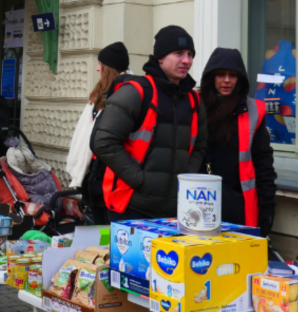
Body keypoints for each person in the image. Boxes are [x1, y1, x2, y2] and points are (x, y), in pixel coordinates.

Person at [92, 26, 208, 220]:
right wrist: (141, 180)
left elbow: (200, 147)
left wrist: (185, 178)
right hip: (131, 208)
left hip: (175, 211)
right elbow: (103, 142)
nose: (186, 61)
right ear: (160, 57)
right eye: (178, 53)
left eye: (190, 54)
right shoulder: (136, 92)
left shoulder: (194, 100)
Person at [199, 48, 277, 235]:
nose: (227, 80)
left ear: (240, 79)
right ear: (211, 77)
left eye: (233, 75)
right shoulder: (194, 106)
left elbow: (263, 162)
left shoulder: (253, 110)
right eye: (221, 74)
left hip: (237, 206)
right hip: (197, 201)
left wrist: (267, 208)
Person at [66, 42, 130, 224]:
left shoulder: (125, 95)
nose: (97, 68)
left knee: (106, 234)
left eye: (100, 64)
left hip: (110, 182)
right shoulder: (100, 94)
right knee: (97, 235)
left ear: (108, 69)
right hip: (95, 181)